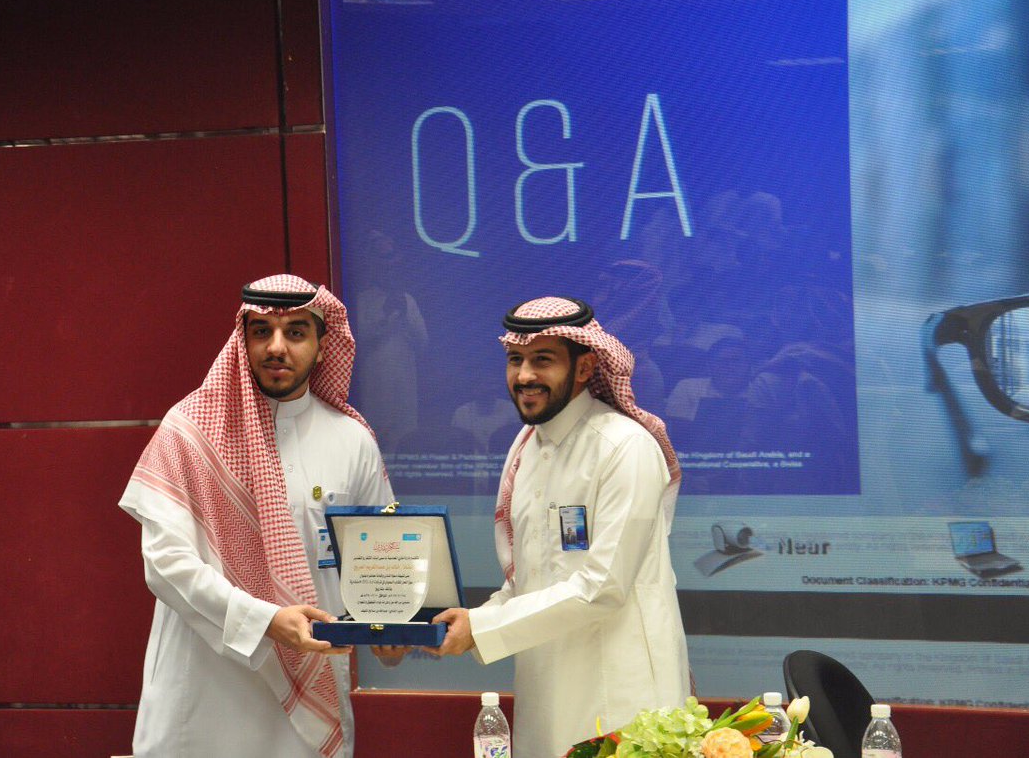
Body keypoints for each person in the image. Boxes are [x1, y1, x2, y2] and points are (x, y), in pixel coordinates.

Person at [118, 274, 396, 758]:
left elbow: (381, 559)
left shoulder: (353, 441)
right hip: (203, 699)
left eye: (296, 332)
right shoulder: (189, 432)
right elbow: (165, 565)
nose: (276, 347)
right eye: (262, 331)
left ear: (323, 345)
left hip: (305, 707)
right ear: (242, 340)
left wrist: (391, 624)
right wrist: (266, 620)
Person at [430, 296, 690, 758]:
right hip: (544, 684)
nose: (524, 375)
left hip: (618, 694)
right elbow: (525, 580)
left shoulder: (624, 446)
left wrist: (481, 627)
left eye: (543, 360)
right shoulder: (526, 446)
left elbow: (602, 587)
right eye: (516, 359)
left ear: (586, 367)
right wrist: (453, 625)